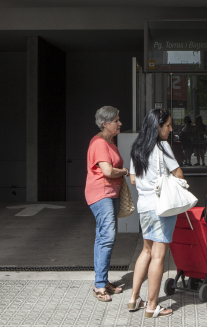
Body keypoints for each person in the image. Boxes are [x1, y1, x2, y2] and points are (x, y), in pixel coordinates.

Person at [128, 109, 184, 318]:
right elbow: (178, 173)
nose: (170, 129)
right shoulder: (162, 146)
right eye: (168, 125)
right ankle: (152, 305)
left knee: (147, 251)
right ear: (157, 126)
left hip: (144, 205)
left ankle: (134, 299)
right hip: (162, 206)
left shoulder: (138, 147)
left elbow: (133, 179)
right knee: (159, 256)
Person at [85, 106, 129, 302]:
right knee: (107, 236)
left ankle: (102, 280)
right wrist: (125, 171)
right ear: (105, 124)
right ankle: (100, 286)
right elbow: (108, 171)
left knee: (103, 236)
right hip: (101, 194)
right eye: (116, 121)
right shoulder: (100, 143)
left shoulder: (110, 142)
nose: (120, 124)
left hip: (110, 193)